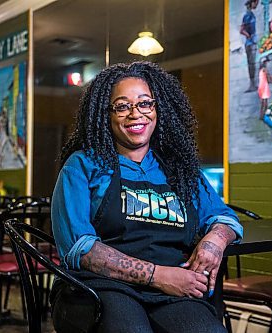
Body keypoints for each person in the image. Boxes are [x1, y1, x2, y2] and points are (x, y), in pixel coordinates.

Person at [50, 61, 243, 333]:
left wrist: (215, 240)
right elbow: (81, 250)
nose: (135, 114)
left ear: (157, 109)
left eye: (144, 104)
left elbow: (224, 218)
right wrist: (160, 276)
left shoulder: (179, 169)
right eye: (122, 106)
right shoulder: (83, 165)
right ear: (106, 115)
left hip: (172, 290)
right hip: (98, 287)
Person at [240, 0, 259, 92]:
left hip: (252, 42)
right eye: (256, 2)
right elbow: (242, 30)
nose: (257, 4)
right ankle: (252, 84)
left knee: (253, 64)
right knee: (251, 64)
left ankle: (253, 84)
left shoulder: (250, 14)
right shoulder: (248, 15)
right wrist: (250, 36)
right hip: (250, 43)